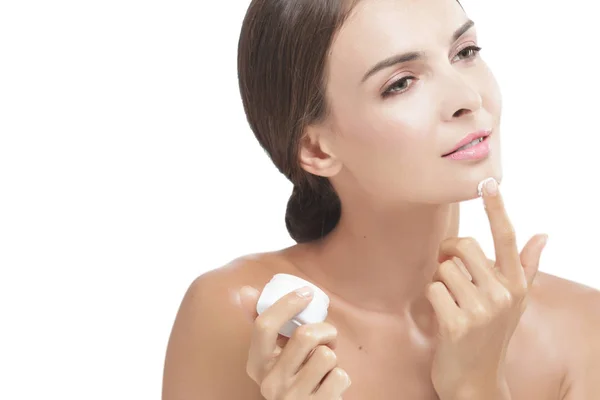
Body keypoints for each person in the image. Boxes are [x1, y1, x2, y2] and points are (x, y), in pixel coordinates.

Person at [162, 0, 600, 398]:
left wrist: (477, 388)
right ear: (317, 150)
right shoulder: (248, 320)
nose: (468, 99)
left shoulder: (582, 330)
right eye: (401, 83)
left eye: (464, 52)